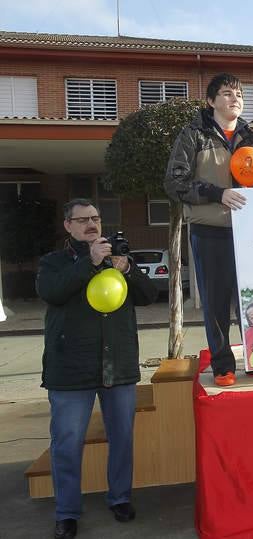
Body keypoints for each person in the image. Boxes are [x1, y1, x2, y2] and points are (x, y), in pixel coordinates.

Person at [37, 199, 158, 539]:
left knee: (122, 438)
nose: (91, 224)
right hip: (70, 370)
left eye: (95, 218)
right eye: (82, 220)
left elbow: (149, 295)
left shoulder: (117, 259)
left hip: (117, 367)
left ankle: (119, 498)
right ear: (68, 226)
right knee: (67, 443)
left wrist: (128, 270)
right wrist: (89, 263)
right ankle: (67, 513)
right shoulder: (54, 262)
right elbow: (52, 292)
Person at [164, 73, 253, 387]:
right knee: (217, 302)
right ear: (210, 101)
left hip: (247, 234)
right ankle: (223, 366)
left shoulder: (249, 136)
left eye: (239, 94)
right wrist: (216, 192)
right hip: (210, 231)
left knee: (252, 300)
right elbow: (174, 182)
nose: (234, 99)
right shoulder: (193, 133)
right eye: (226, 93)